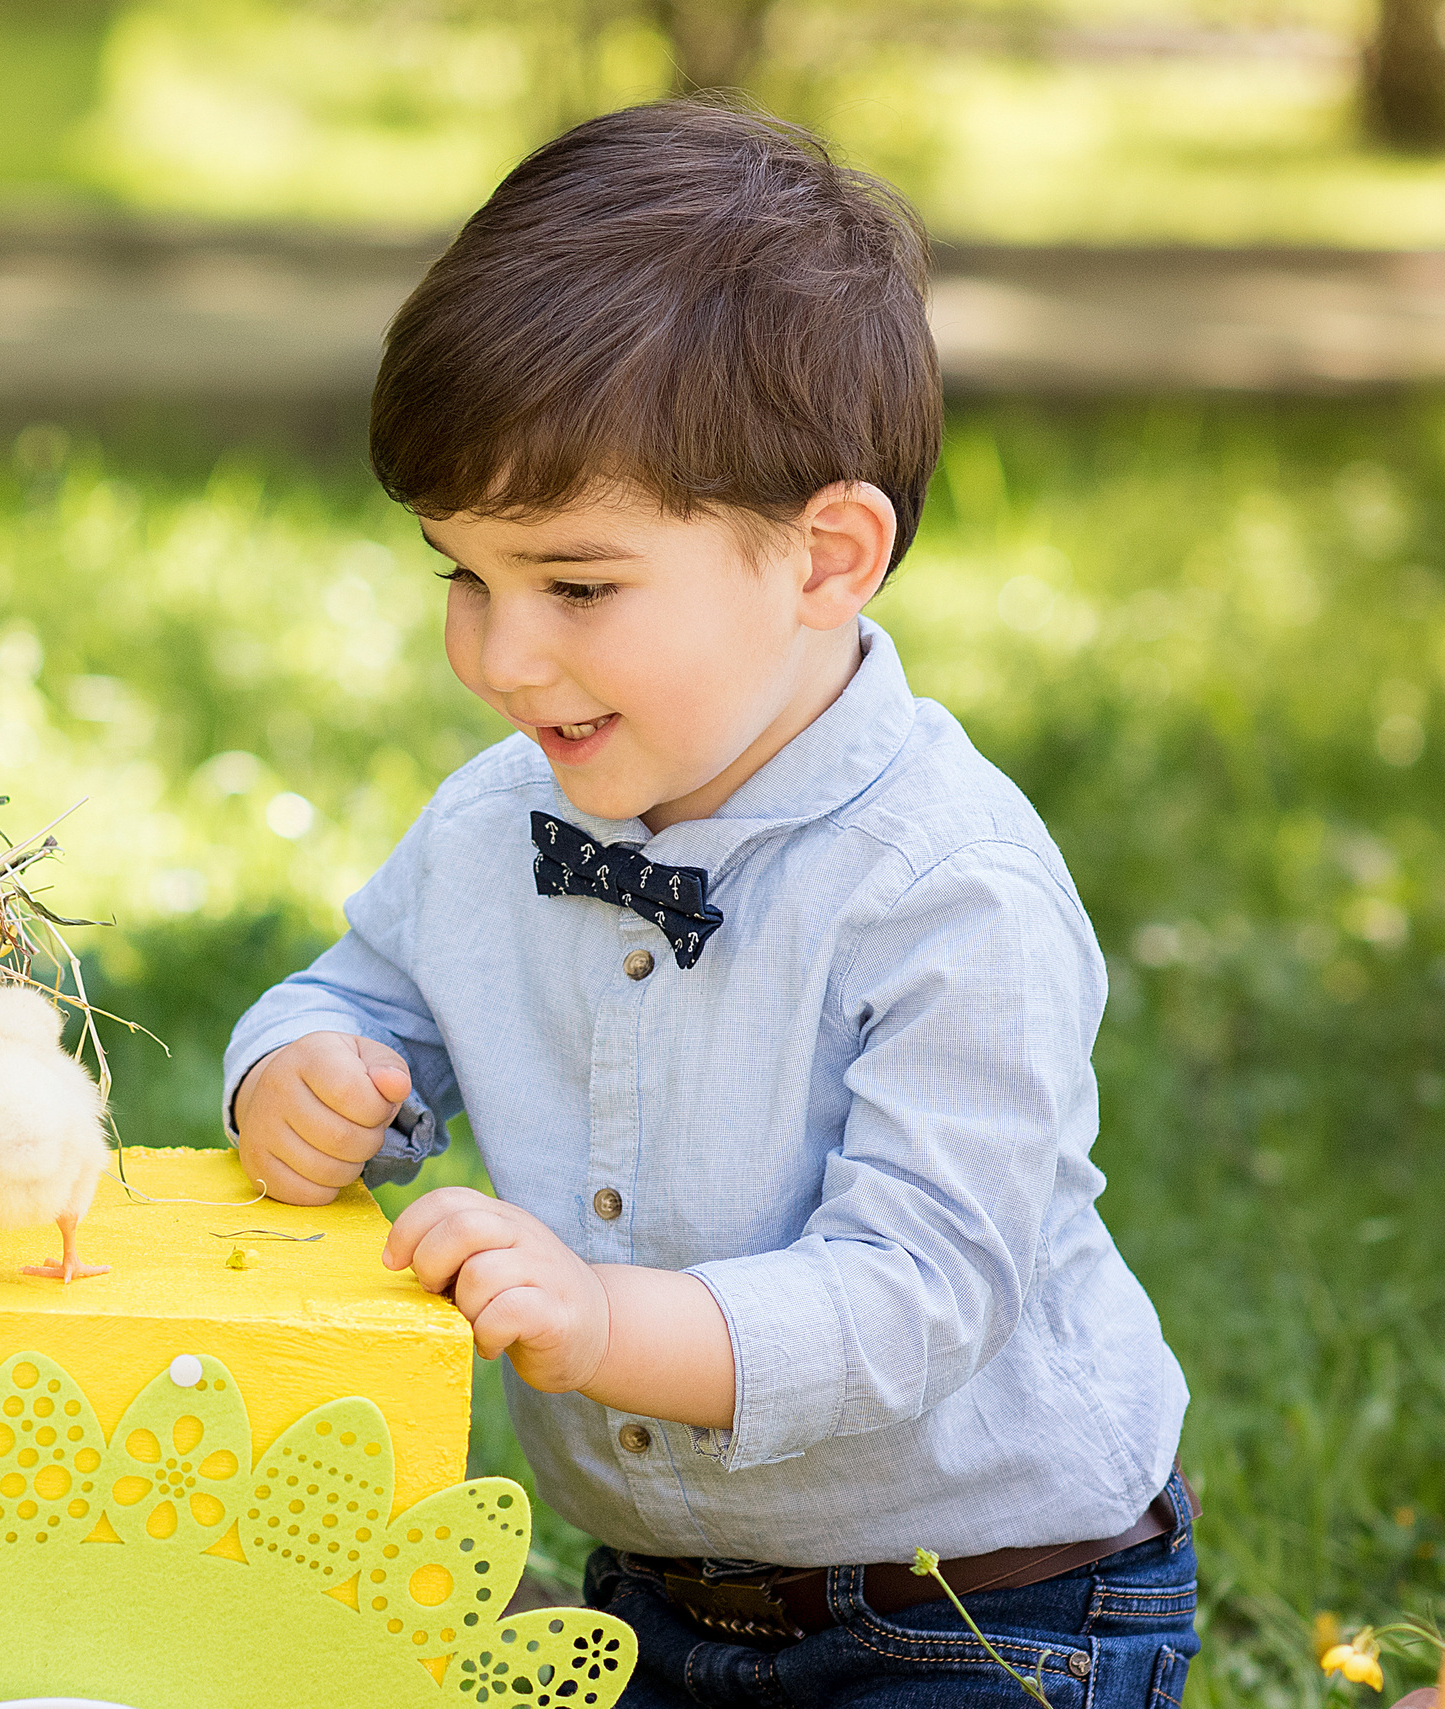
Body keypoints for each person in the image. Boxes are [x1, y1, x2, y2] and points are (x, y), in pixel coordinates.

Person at [221, 98, 1198, 1709]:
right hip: (657, 1594)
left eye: (576, 585)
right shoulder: (496, 825)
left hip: (988, 1608)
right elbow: (359, 993)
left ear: (827, 559)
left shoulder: (950, 890)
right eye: (462, 573)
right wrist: (305, 1072)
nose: (500, 654)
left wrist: (607, 1319)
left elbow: (916, 1297)